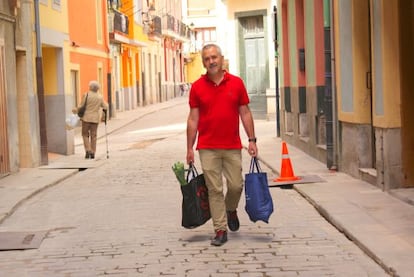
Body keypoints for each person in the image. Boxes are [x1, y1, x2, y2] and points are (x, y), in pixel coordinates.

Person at [186, 44, 258, 246]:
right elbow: (193, 119)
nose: (211, 61)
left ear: (221, 58)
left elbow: (245, 113)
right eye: (207, 59)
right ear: (203, 62)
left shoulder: (236, 83)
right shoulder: (197, 87)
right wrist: (189, 148)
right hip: (207, 147)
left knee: (236, 185)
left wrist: (251, 140)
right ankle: (220, 229)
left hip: (232, 145)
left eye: (214, 57)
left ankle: (230, 208)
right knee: (214, 189)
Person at [73, 80, 108, 159]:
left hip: (86, 118)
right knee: (94, 136)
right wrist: (103, 116)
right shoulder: (100, 97)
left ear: (90, 87)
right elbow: (106, 106)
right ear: (97, 88)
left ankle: (88, 150)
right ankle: (93, 152)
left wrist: (75, 110)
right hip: (95, 119)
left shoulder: (86, 95)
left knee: (85, 134)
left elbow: (81, 106)